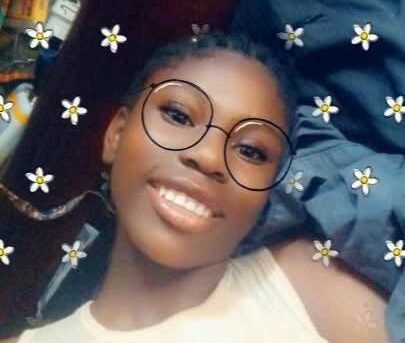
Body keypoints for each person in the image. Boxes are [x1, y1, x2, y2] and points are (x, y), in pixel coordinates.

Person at [3, 30, 389, 342]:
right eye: (178, 115)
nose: (207, 156)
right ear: (117, 135)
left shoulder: (313, 288)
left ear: (269, 190)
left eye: (250, 151)